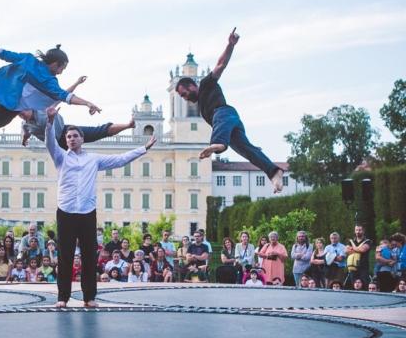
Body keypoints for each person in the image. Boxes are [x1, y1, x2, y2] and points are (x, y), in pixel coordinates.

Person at [46, 105, 156, 308]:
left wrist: (143, 149)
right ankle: (63, 297)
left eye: (75, 136)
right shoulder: (60, 157)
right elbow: (49, 142)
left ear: (82, 139)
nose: (71, 139)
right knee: (65, 257)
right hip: (66, 212)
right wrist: (50, 121)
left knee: (89, 256)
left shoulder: (93, 159)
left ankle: (89, 297)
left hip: (87, 213)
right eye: (68, 136)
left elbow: (120, 160)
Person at [175, 28, 284, 193]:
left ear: (191, 85)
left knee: (218, 118)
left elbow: (221, 64)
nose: (185, 98)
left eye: (185, 94)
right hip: (228, 127)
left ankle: (217, 144)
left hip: (226, 114)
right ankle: (274, 172)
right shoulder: (202, 107)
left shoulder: (206, 84)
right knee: (247, 150)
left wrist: (230, 45)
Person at [19, 75, 135, 149]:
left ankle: (128, 125)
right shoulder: (25, 125)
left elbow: (63, 95)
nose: (22, 115)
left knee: (98, 131)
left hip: (66, 131)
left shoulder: (43, 108)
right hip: (56, 146)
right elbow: (26, 134)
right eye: (19, 115)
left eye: (23, 111)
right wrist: (24, 140)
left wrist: (78, 85)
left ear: (29, 107)